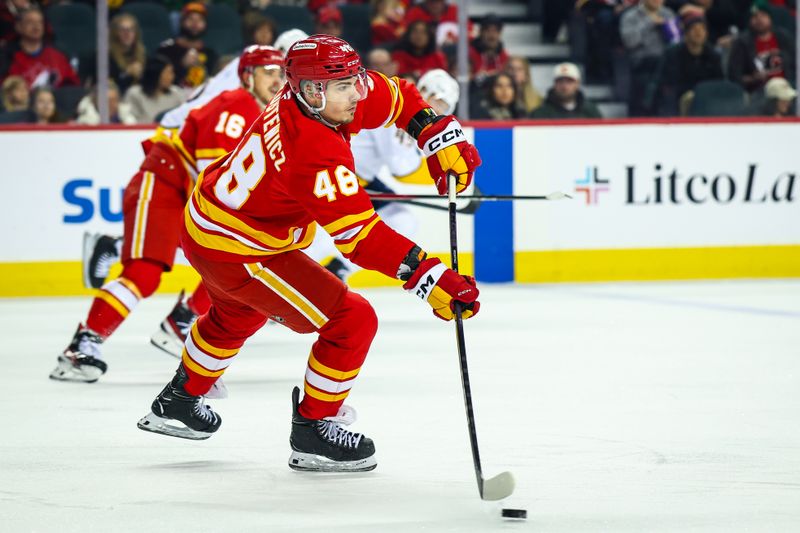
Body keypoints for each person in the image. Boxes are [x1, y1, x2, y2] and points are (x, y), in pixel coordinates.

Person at [135, 35, 482, 474]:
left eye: (355, 79)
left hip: (208, 227)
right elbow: (360, 238)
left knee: (236, 315)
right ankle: (314, 430)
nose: (357, 91)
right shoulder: (314, 151)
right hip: (240, 250)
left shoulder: (315, 94)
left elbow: (396, 95)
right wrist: (428, 276)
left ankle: (178, 401)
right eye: (344, 86)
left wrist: (433, 131)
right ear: (313, 91)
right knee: (352, 319)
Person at [49, 47, 286, 394]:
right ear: (247, 76)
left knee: (238, 261)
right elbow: (215, 178)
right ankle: (81, 346)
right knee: (144, 273)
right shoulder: (236, 106)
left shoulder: (262, 115)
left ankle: (181, 323)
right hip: (162, 185)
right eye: (268, 72)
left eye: (281, 74)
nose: (277, 81)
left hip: (187, 193)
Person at [307, 68, 460, 282]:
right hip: (335, 177)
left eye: (444, 108)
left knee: (402, 219)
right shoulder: (401, 113)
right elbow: (401, 167)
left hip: (358, 178)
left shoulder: (402, 107)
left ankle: (337, 270)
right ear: (424, 91)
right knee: (324, 238)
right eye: (438, 103)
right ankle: (289, 288)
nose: (437, 112)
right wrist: (443, 171)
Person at [649, 15, 724, 116]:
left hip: (707, 100)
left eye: (702, 29)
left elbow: (719, 82)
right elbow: (664, 82)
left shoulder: (713, 56)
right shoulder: (672, 54)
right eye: (694, 29)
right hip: (677, 99)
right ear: (686, 33)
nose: (699, 33)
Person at [620, 0, 679, 115]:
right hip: (642, 64)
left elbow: (676, 41)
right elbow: (630, 42)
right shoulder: (630, 16)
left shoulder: (668, 14)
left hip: (666, 64)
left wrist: (667, 29)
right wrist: (649, 23)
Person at [728, 0, 796, 94]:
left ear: (770, 17)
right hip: (759, 92)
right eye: (755, 16)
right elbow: (734, 76)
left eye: (763, 15)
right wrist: (752, 78)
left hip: (787, 89)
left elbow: (795, 65)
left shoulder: (784, 38)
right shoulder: (742, 43)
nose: (759, 20)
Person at [4, 7, 78, 88]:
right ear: (18, 27)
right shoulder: (7, 57)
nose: (36, 26)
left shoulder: (57, 54)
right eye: (30, 22)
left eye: (40, 22)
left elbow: (72, 85)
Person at [157, 2, 218, 88]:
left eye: (200, 20)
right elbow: (157, 81)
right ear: (181, 22)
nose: (195, 23)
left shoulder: (210, 53)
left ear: (205, 24)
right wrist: (182, 65)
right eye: (190, 19)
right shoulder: (166, 49)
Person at [124, 55, 186, 123]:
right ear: (156, 74)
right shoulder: (135, 94)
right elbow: (129, 120)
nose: (172, 77)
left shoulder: (177, 93)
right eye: (168, 73)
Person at [530, 62, 603, 119]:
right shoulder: (541, 114)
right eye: (560, 81)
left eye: (569, 81)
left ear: (577, 84)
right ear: (554, 84)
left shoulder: (590, 111)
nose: (564, 86)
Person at [468, 15, 509, 81]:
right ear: (480, 32)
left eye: (495, 31)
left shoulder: (504, 56)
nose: (491, 35)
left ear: (500, 33)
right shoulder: (469, 54)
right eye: (487, 30)